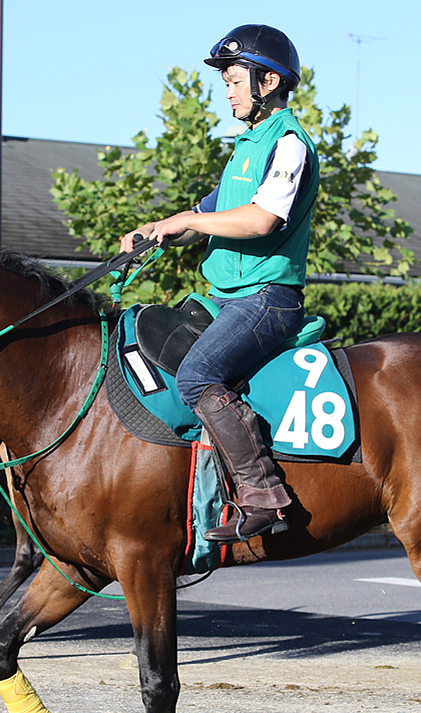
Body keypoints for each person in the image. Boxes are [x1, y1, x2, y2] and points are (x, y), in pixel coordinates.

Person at [121, 24, 319, 543]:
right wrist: (154, 233)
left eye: (234, 80)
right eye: (226, 81)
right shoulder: (246, 149)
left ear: (269, 81)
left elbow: (259, 221)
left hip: (267, 301)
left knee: (195, 375)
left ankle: (263, 495)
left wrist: (185, 222)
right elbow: (203, 215)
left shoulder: (289, 144)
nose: (227, 90)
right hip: (223, 299)